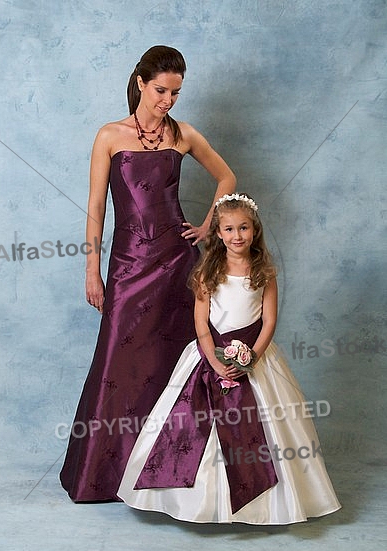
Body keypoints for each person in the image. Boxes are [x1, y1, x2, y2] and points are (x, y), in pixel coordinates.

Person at [60, 45, 236, 502]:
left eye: (176, 92)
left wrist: (206, 226)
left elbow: (226, 178)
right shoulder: (109, 136)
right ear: (140, 83)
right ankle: (103, 476)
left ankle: (170, 475)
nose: (168, 100)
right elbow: (97, 208)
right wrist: (92, 270)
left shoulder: (183, 134)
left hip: (178, 264)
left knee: (175, 365)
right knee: (118, 365)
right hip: (128, 264)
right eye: (161, 90)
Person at [117, 194, 341, 524]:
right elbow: (201, 325)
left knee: (269, 428)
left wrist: (251, 356)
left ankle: (268, 502)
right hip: (208, 357)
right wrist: (214, 360)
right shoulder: (208, 272)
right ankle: (193, 502)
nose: (237, 236)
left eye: (244, 228)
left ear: (255, 230)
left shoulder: (265, 272)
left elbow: (269, 322)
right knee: (191, 426)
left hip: (255, 358)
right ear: (218, 234)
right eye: (229, 229)